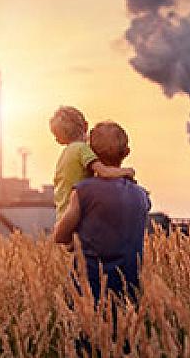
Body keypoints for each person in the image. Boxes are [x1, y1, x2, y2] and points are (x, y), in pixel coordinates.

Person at [53, 121, 151, 302]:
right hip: (128, 292)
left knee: (85, 330)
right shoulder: (142, 196)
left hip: (87, 292)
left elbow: (60, 235)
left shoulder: (83, 191)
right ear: (126, 152)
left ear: (91, 152)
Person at [49, 106, 135, 220]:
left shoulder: (67, 153)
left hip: (63, 214)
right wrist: (126, 172)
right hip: (75, 215)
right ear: (85, 125)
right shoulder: (81, 149)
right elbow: (103, 171)